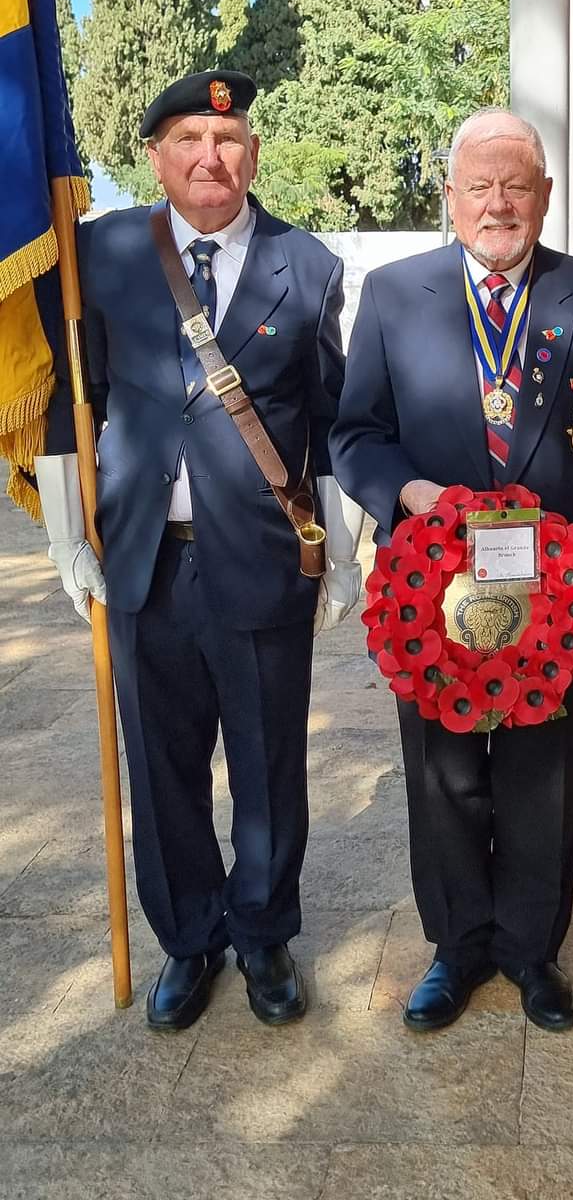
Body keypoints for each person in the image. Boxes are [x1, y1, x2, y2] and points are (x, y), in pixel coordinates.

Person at [37, 70, 365, 1029]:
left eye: (226, 140)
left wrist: (341, 553)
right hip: (145, 559)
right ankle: (189, 939)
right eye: (187, 139)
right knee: (161, 763)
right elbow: (70, 400)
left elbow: (329, 419)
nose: (208, 158)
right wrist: (68, 535)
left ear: (254, 153)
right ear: (156, 156)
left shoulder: (305, 266)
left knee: (268, 765)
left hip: (263, 558)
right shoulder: (97, 255)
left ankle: (262, 934)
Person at [330, 108, 573, 1032]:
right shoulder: (393, 295)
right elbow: (354, 433)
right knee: (445, 775)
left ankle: (530, 951)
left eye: (517, 185)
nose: (498, 203)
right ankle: (457, 946)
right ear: (451, 197)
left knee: (540, 772)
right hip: (429, 598)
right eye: (480, 185)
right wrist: (407, 494)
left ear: (545, 197)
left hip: (558, 596)